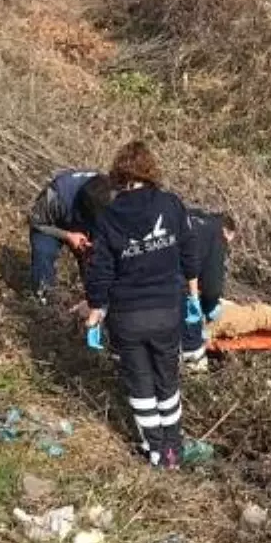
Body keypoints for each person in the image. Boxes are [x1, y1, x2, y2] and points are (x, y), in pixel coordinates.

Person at [84, 141, 200, 470]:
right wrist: (192, 296)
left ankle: (155, 451)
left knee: (140, 383)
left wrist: (96, 309)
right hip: (166, 310)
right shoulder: (171, 204)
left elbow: (100, 268)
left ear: (120, 176)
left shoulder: (108, 216)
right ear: (150, 171)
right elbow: (189, 252)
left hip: (127, 315)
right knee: (167, 378)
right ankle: (174, 449)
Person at [28, 168, 105, 303]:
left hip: (88, 221)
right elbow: (36, 222)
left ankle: (95, 300)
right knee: (43, 251)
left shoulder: (113, 193)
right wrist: (68, 235)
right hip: (52, 224)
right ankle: (43, 297)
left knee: (95, 257)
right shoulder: (55, 196)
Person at [180, 208, 236, 368]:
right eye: (228, 241)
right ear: (226, 231)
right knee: (192, 350)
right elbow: (212, 286)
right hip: (178, 290)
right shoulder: (216, 234)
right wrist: (209, 306)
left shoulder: (191, 216)